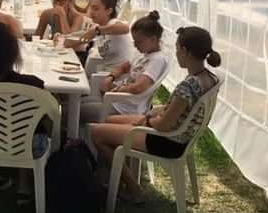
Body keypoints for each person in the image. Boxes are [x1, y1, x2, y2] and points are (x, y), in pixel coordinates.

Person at [90, 26, 221, 203]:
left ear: (184, 51)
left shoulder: (188, 86)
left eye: (177, 49)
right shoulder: (209, 78)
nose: (176, 53)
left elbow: (163, 125)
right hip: (181, 137)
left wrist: (147, 120)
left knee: (97, 133)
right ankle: (113, 180)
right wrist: (149, 116)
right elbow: (173, 109)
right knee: (109, 120)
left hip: (167, 141)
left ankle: (133, 189)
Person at [0, 20, 49, 204]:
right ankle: (25, 184)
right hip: (32, 147)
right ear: (13, 53)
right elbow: (48, 113)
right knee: (32, 125)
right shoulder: (33, 84)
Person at [80, 11, 168, 122]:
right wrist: (110, 77)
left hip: (125, 110)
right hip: (116, 101)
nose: (135, 45)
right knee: (78, 102)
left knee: (75, 111)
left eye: (139, 42)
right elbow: (123, 68)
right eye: (134, 41)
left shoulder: (157, 60)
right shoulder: (142, 54)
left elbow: (139, 87)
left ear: (153, 39)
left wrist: (117, 90)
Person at [68, 0, 134, 69]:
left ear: (109, 11)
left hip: (117, 75)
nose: (91, 12)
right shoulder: (98, 26)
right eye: (91, 8)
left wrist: (97, 30)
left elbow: (125, 28)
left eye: (96, 9)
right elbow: (81, 37)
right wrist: (63, 37)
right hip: (104, 70)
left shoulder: (113, 23)